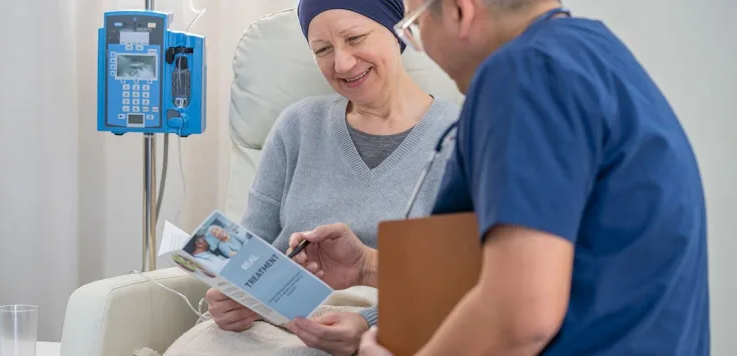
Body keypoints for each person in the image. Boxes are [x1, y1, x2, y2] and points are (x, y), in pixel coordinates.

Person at [288, 0, 711, 355]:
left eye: (414, 27)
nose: (420, 49)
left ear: (459, 10)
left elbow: (520, 314)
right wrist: (365, 266)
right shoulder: (594, 53)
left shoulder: (525, 72)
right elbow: (569, 261)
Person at [198, 0, 460, 354]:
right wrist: (233, 298)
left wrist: (370, 321)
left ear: (397, 31)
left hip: (392, 328)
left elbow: (461, 281)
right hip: (269, 324)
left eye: (354, 38)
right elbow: (250, 250)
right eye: (322, 50)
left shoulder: (459, 138)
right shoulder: (298, 127)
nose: (342, 63)